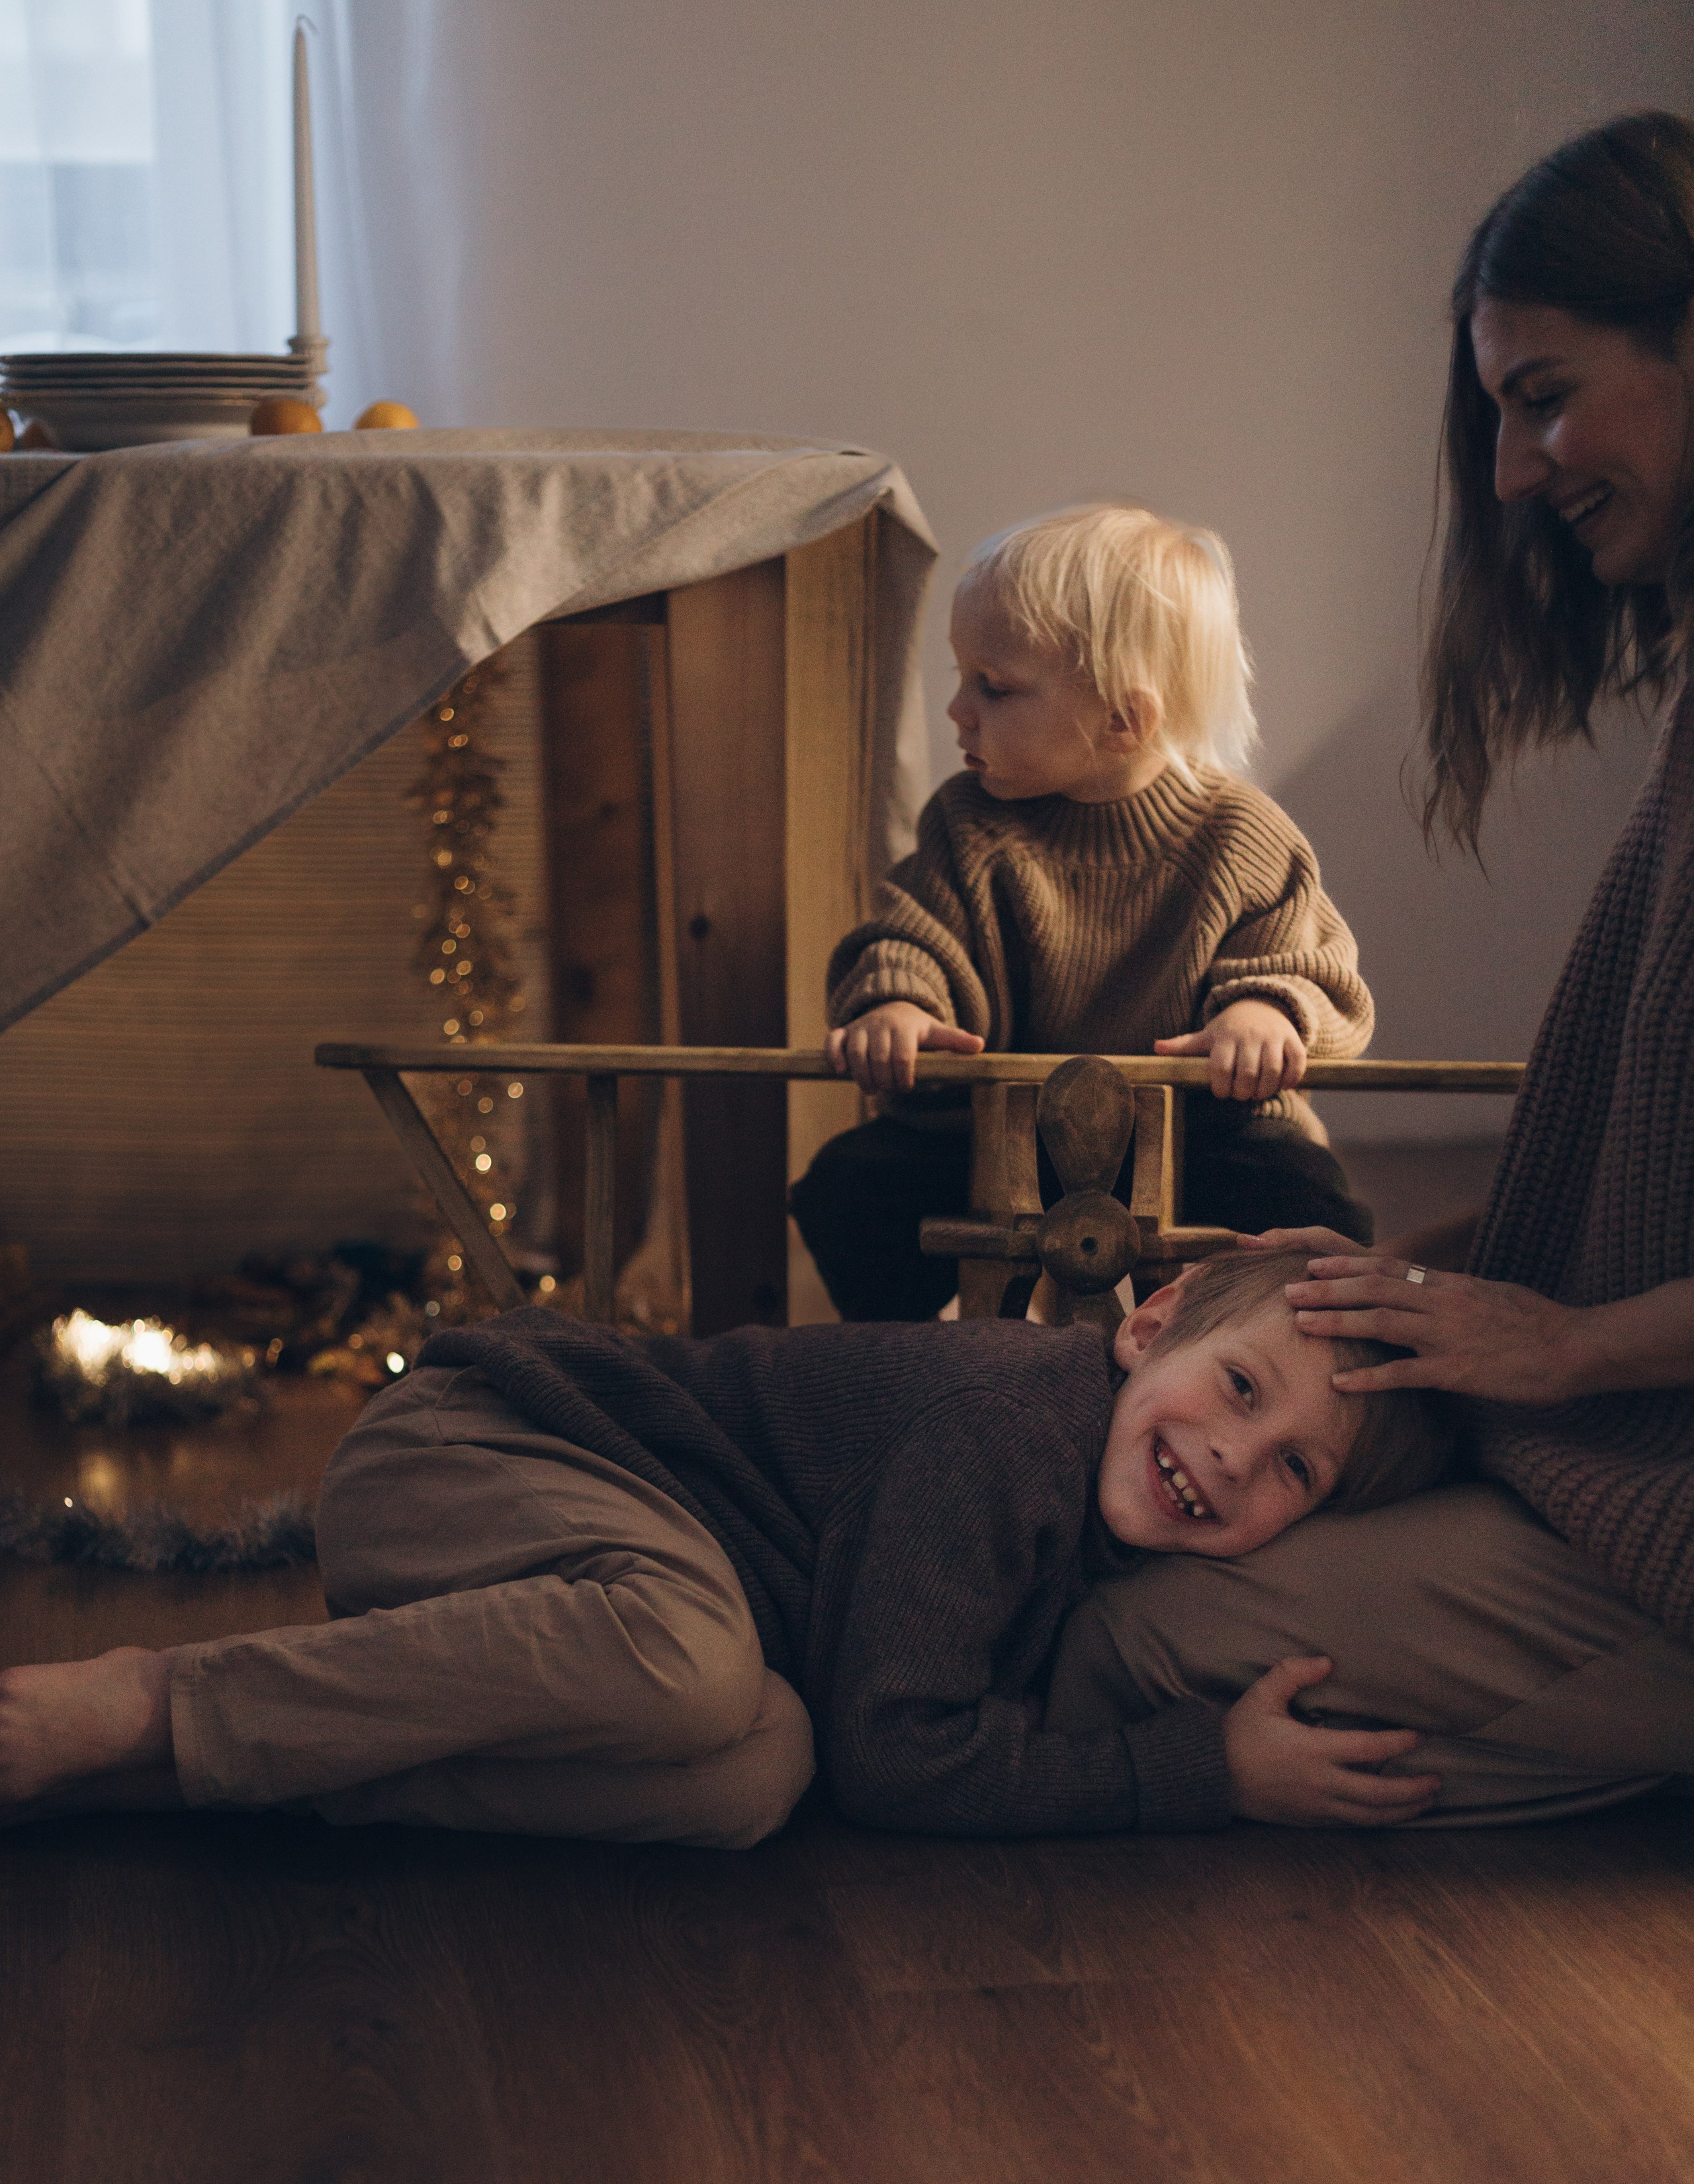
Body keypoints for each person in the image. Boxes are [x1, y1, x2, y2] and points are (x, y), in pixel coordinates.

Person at [1048, 110, 1694, 1829]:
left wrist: (1563, 1351)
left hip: (1655, 1510)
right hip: (1619, 1466)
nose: (1508, 475)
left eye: (1544, 395)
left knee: (1130, 1643)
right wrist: (1396, 1285)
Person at [0, 1252, 1452, 1845]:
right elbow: (905, 1750)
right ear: (1146, 1321)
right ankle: (148, 1697)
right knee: (703, 1666)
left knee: (753, 1771)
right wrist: (1204, 1772)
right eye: (1240, 1390)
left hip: (586, 1583)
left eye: (1291, 1473)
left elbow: (848, 1746)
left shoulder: (1104, 1497)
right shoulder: (1019, 1422)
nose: (1228, 1457)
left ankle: (270, 1768)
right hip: (479, 1446)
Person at [789, 503, 1375, 1322]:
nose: (958, 709)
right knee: (851, 1185)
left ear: (1122, 719)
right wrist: (899, 1003)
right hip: (1005, 1131)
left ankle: (1258, 1358)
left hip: (1197, 1131)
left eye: (993, 687)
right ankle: (914, 1360)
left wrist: (1264, 1009)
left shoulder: (1239, 833)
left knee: (1304, 1209)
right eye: (962, 676)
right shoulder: (967, 823)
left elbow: (1302, 958)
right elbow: (910, 932)